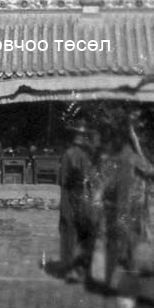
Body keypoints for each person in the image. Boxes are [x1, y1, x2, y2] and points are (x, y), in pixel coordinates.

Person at [101, 116, 154, 286]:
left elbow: (107, 183)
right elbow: (151, 170)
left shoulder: (115, 158)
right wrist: (138, 145)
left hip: (119, 202)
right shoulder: (133, 157)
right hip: (134, 203)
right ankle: (131, 265)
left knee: (118, 232)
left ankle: (116, 267)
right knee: (134, 232)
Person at [58, 121, 98, 283]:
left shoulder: (77, 155)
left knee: (77, 234)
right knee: (76, 234)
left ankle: (77, 268)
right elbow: (66, 183)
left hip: (80, 198)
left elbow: (64, 180)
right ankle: (76, 269)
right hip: (78, 197)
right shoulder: (78, 155)